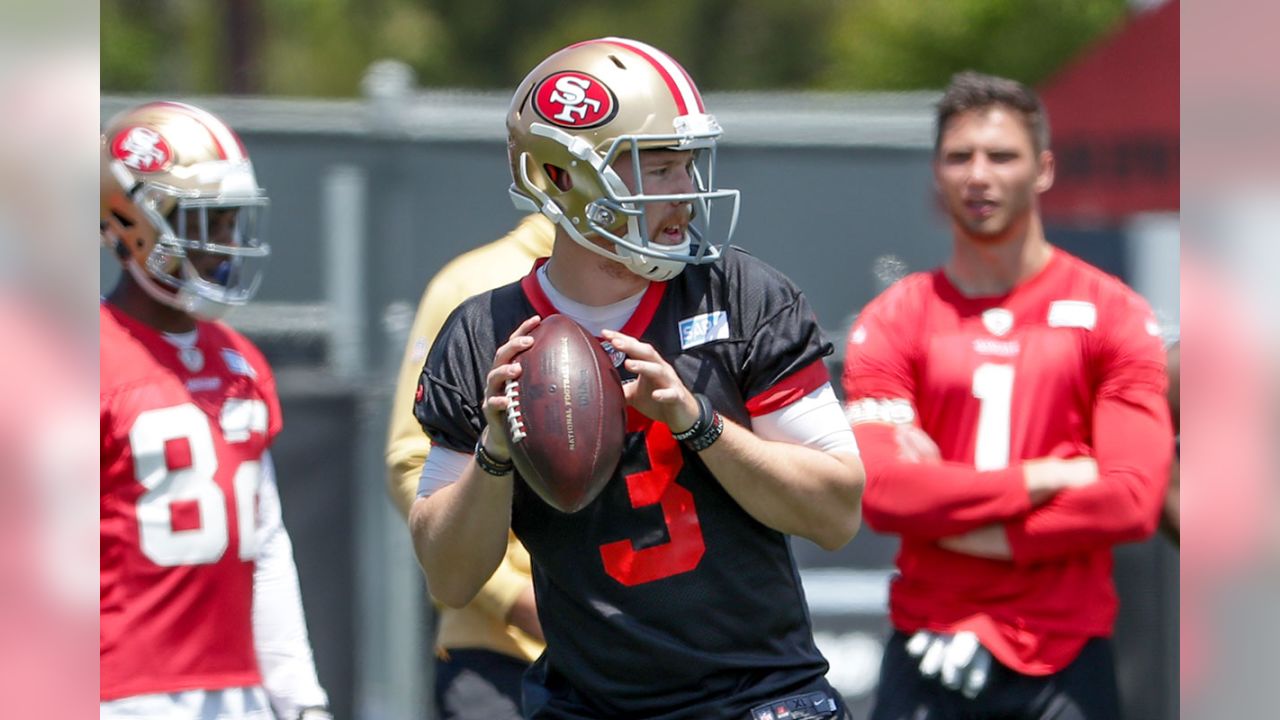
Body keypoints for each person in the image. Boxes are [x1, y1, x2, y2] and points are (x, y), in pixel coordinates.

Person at [409, 37, 865, 720]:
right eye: (656, 168)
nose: (684, 192)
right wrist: (495, 452)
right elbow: (449, 575)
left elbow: (836, 513)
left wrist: (697, 424)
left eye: (687, 164)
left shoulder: (739, 296)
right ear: (563, 177)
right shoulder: (484, 334)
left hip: (761, 699)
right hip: (588, 705)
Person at [841, 71, 1173, 720]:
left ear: (1043, 169)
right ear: (936, 173)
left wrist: (954, 518)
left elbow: (1131, 500)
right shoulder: (894, 318)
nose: (979, 175)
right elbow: (880, 491)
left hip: (1064, 654)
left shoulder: (1113, 313)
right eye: (959, 157)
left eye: (1002, 156)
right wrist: (1045, 475)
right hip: (927, 641)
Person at [99, 101, 331, 720]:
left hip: (237, 691)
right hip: (115, 689)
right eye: (206, 221)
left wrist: (299, 698)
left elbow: (266, 543)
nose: (225, 244)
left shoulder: (240, 361)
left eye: (230, 222)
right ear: (132, 222)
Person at [385, 214, 553, 719]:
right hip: (499, 657)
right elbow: (412, 461)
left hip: (636, 654)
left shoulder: (670, 281)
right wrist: (513, 597)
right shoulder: (474, 284)